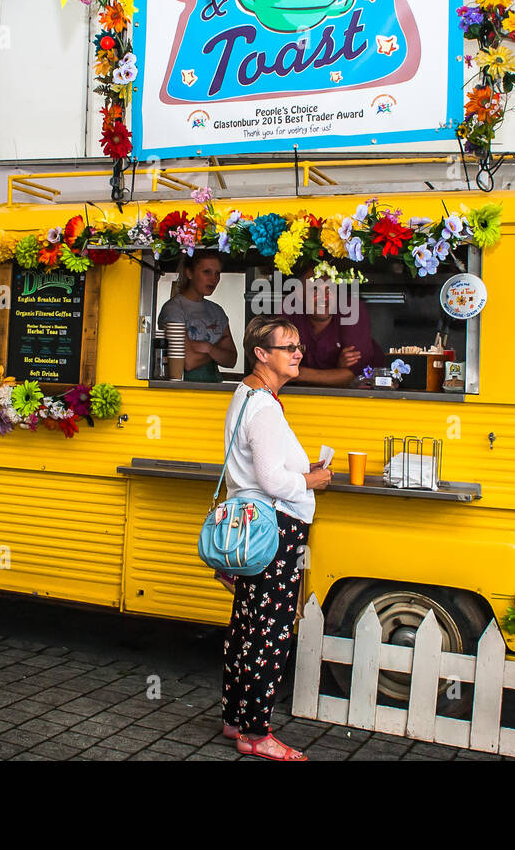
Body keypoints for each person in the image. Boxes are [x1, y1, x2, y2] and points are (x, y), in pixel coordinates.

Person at [219, 315, 332, 761]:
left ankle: (235, 720)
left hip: (252, 526)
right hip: (274, 530)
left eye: (299, 346)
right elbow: (270, 480)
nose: (298, 353)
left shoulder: (246, 394)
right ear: (261, 355)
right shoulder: (263, 406)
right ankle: (256, 733)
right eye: (288, 347)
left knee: (246, 626)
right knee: (271, 632)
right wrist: (314, 479)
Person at [287, 274, 384, 387]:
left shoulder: (350, 309)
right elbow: (276, 366)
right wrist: (336, 371)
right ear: (300, 294)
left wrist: (298, 374)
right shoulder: (289, 309)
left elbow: (353, 375)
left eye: (330, 289)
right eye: (315, 289)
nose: (324, 296)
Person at [157, 250, 237, 382]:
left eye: (217, 273)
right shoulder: (174, 309)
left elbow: (231, 359)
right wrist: (217, 350)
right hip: (183, 388)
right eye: (207, 272)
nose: (213, 279)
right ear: (189, 273)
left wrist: (207, 347)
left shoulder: (217, 311)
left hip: (215, 387)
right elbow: (189, 362)